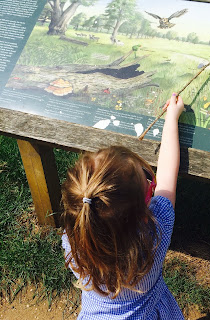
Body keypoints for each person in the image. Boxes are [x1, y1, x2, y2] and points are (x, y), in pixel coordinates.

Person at [61, 93, 185, 319]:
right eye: (148, 181)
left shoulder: (74, 243)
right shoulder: (155, 236)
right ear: (143, 215)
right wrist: (171, 118)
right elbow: (168, 174)